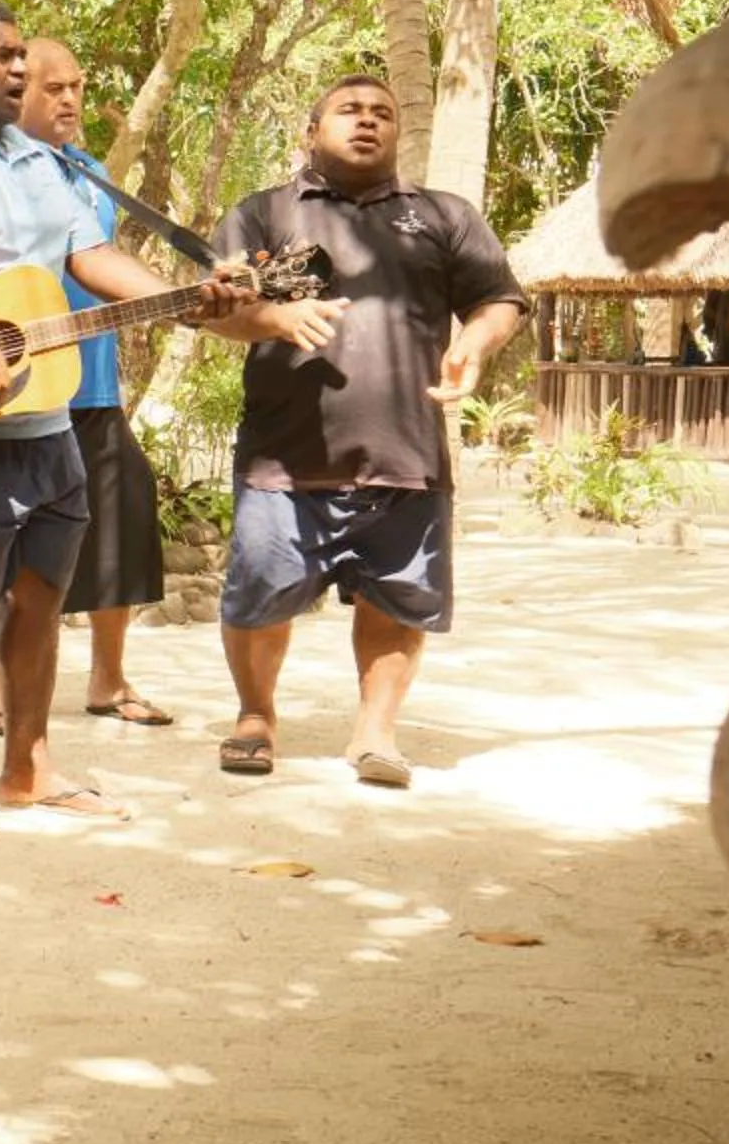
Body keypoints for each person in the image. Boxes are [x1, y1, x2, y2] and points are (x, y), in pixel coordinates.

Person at [0, 0, 237, 839]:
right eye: (3, 55)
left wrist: (185, 301)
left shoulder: (43, 162)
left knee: (39, 600)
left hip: (46, 421)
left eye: (24, 53)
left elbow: (90, 258)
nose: (22, 69)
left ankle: (27, 767)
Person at [202, 74, 524, 786]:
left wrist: (476, 342)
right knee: (259, 592)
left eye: (384, 111)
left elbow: (499, 299)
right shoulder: (264, 214)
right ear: (312, 129)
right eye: (349, 109)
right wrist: (272, 318)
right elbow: (216, 307)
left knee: (396, 597)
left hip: (406, 451)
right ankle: (255, 717)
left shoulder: (443, 215)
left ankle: (375, 734)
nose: (368, 121)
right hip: (284, 457)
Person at [0, 40, 173, 732]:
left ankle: (108, 679)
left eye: (78, 86)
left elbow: (100, 262)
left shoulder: (86, 173)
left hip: (93, 387)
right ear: (13, 92)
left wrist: (182, 297)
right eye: (53, 87)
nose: (70, 99)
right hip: (12, 387)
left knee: (127, 517)